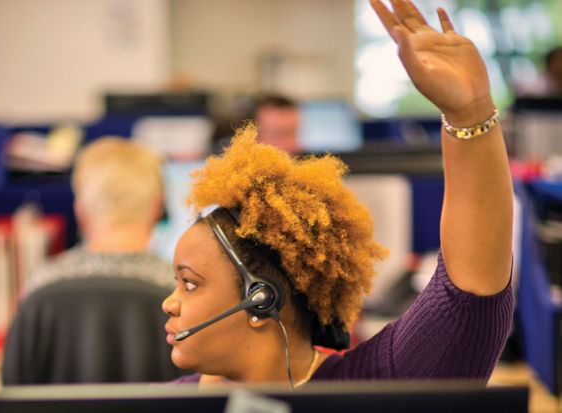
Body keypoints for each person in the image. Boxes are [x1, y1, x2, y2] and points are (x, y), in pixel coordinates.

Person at [162, 0, 513, 387]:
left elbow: (469, 293)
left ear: (261, 298)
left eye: (190, 283)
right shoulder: (162, 403)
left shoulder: (370, 387)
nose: (169, 303)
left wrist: (471, 114)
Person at [3, 137, 180, 384]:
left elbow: (12, 391)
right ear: (158, 207)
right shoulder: (178, 292)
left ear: (81, 210)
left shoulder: (38, 286)